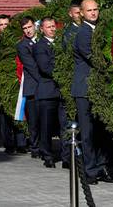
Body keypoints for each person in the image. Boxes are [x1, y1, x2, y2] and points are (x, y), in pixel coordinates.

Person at [71, 0, 113, 185]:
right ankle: (90, 170)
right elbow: (93, 58)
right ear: (81, 13)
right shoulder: (83, 32)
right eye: (89, 10)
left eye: (96, 9)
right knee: (88, 132)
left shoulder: (101, 30)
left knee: (101, 131)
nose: (93, 13)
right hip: (85, 89)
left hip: (99, 89)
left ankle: (102, 166)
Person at [33, 17, 69, 168]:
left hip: (61, 91)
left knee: (65, 126)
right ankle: (47, 155)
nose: (52, 29)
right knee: (46, 126)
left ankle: (66, 157)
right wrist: (63, 74)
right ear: (42, 29)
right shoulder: (40, 46)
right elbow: (45, 67)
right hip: (48, 91)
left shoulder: (62, 43)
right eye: (48, 27)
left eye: (53, 26)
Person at [16, 16, 41, 158]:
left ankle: (44, 146)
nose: (28, 31)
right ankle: (35, 147)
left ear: (35, 26)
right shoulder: (22, 45)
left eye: (29, 27)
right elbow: (31, 67)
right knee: (33, 120)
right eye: (25, 29)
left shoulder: (43, 40)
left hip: (45, 86)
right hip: (33, 86)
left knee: (44, 119)